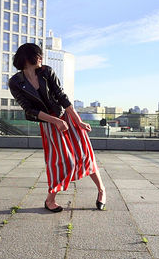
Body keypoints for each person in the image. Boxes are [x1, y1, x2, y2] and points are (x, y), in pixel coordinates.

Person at [9, 43, 106, 212]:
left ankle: (101, 190)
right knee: (62, 161)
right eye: (38, 56)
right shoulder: (15, 82)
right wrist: (55, 121)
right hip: (49, 123)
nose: (41, 58)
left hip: (67, 117)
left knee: (85, 154)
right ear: (27, 58)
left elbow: (62, 96)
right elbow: (29, 110)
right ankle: (50, 199)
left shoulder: (46, 72)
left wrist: (79, 121)